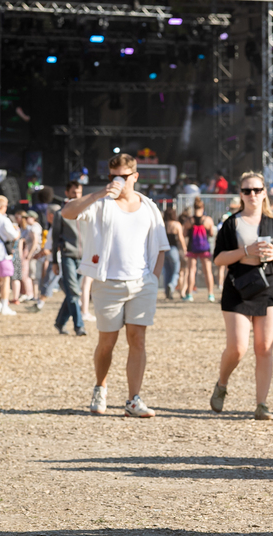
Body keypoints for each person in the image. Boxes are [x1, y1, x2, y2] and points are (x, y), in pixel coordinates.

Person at [61, 153, 169, 418]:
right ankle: (100, 387)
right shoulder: (101, 203)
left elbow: (161, 246)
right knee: (107, 342)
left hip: (142, 283)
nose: (117, 180)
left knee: (138, 340)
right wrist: (99, 193)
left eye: (123, 176)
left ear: (135, 176)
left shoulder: (149, 207)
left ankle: (133, 399)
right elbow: (67, 212)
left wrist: (153, 279)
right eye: (113, 176)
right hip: (107, 282)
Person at [210, 171, 273, 420]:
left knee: (264, 347)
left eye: (257, 190)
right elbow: (219, 259)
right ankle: (222, 383)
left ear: (264, 193)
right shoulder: (232, 223)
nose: (252, 195)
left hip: (267, 287)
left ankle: (262, 404)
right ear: (241, 194)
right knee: (238, 348)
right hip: (238, 286)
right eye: (247, 190)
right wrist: (246, 250)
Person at [49, 181, 88, 335]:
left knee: (73, 292)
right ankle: (79, 326)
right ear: (67, 193)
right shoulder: (60, 214)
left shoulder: (87, 212)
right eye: (73, 193)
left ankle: (60, 322)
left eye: (79, 193)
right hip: (68, 256)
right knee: (74, 292)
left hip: (84, 257)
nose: (77, 196)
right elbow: (55, 239)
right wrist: (54, 261)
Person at [183, 198, 216, 302]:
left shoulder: (189, 220)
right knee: (208, 271)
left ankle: (189, 294)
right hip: (204, 248)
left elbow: (184, 234)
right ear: (203, 207)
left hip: (192, 248)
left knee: (191, 271)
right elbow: (211, 233)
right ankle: (210, 294)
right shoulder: (207, 220)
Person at [0, 196, 19, 316]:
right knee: (5, 280)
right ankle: (4, 305)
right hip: (2, 254)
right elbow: (14, 235)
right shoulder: (4, 220)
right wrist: (18, 232)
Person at [162, 206, 186, 300]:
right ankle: (171, 285)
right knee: (176, 271)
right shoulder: (176, 225)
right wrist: (184, 249)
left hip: (164, 250)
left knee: (167, 272)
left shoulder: (162, 224)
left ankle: (167, 292)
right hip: (173, 250)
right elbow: (181, 238)